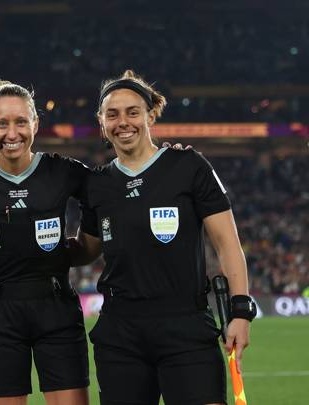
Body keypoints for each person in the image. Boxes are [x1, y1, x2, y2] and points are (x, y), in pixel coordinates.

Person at [73, 70, 256, 405]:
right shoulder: (97, 184)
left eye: (133, 112)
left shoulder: (189, 166)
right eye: (112, 114)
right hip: (120, 332)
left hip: (186, 327)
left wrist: (240, 311)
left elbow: (227, 244)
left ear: (150, 115)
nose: (123, 122)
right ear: (101, 122)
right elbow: (85, 249)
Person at [0, 80, 92, 405]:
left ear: (35, 124)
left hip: (56, 307)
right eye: (2, 123)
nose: (11, 133)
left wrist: (83, 249)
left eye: (20, 122)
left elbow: (111, 193)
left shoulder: (64, 171)